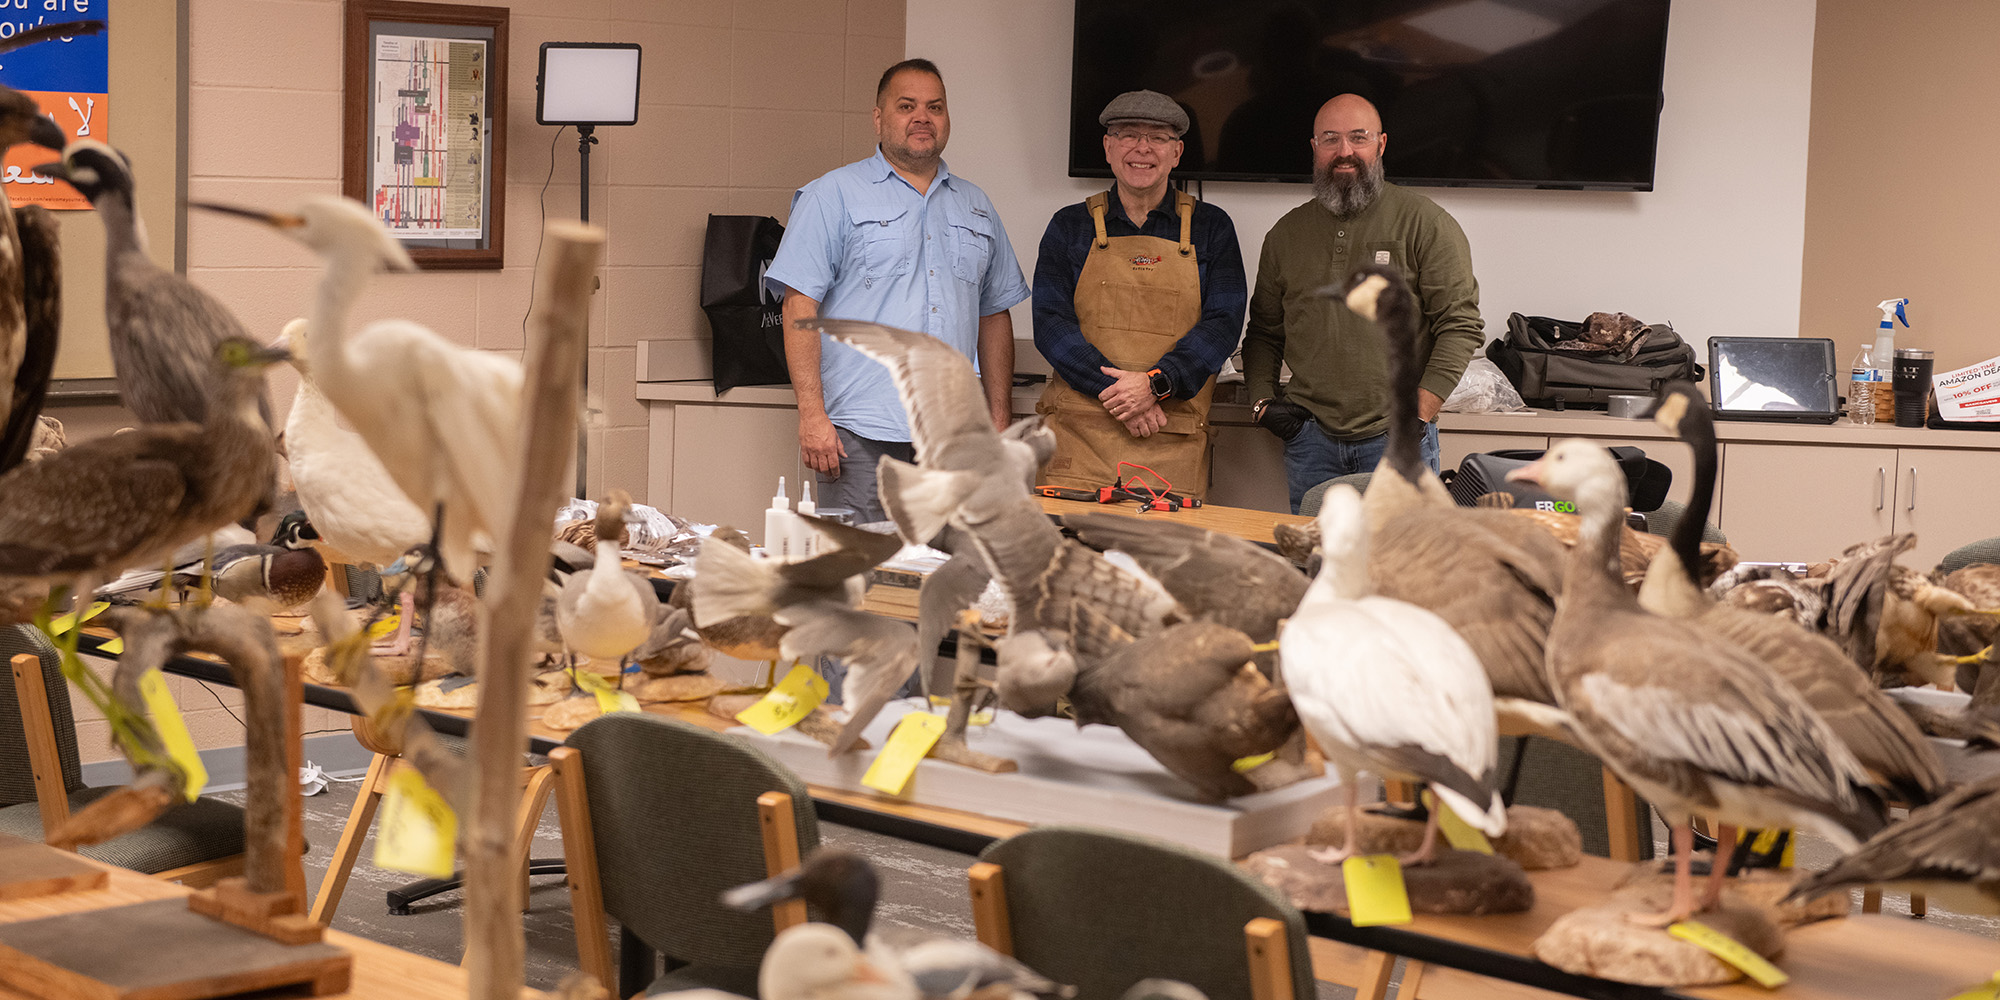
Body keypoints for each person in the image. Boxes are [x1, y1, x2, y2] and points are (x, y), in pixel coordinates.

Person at [766, 58, 1030, 526]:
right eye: (906, 106)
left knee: (946, 580)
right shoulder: (833, 195)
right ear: (879, 117)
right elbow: (798, 305)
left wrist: (998, 418)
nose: (922, 117)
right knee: (862, 580)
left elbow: (994, 314)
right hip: (861, 435)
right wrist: (811, 416)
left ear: (947, 118)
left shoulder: (977, 205)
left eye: (935, 107)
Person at [1241, 93, 1484, 513]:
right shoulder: (1285, 233)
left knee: (1404, 570)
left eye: (1359, 137)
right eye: (1330, 139)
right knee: (1319, 564)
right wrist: (1262, 402)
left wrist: (1420, 413)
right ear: (1314, 147)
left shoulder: (1425, 223)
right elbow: (1264, 331)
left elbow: (1459, 326)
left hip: (1398, 437)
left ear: (1382, 144)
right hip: (1309, 441)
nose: (1345, 152)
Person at [1031, 90, 1245, 499]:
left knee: (1163, 562)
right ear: (1108, 148)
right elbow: (1049, 323)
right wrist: (1122, 395)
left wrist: (1155, 385)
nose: (1142, 148)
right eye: (1128, 135)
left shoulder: (1213, 228)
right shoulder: (1069, 226)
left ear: (1177, 151)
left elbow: (1223, 324)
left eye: (1158, 137)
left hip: (1171, 436)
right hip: (1078, 437)